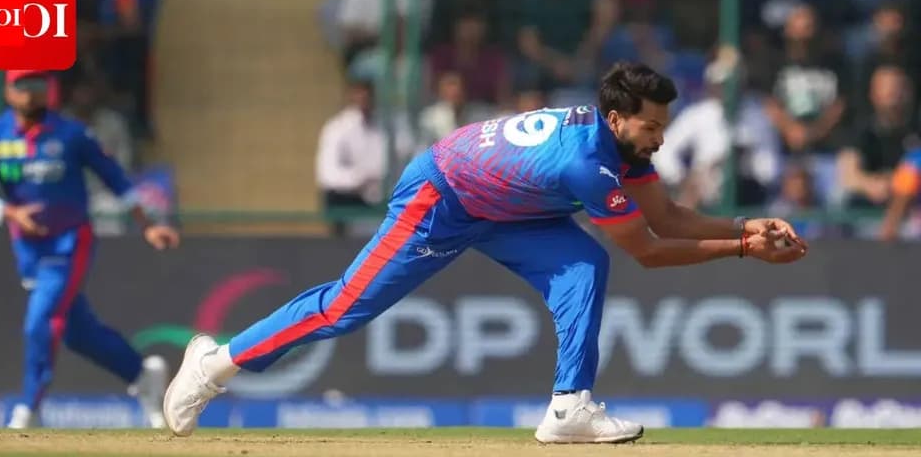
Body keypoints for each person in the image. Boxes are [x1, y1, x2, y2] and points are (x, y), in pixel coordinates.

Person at [163, 62, 808, 443]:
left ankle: (568, 407)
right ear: (616, 119)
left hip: (506, 206)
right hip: (442, 196)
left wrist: (746, 223)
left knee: (586, 264)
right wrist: (743, 250)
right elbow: (650, 249)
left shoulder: (621, 145)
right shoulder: (588, 164)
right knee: (345, 308)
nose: (660, 139)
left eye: (664, 126)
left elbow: (665, 216)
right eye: (652, 126)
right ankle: (215, 362)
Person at [0, 70, 181, 429]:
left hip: (69, 242)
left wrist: (148, 225)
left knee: (40, 319)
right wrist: (9, 212)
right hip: (28, 249)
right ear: (9, 92)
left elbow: (116, 179)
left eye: (38, 86)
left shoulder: (72, 133)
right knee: (78, 332)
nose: (32, 94)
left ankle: (29, 406)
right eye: (23, 87)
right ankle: (142, 374)